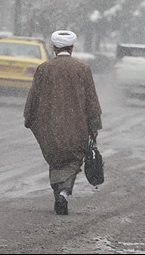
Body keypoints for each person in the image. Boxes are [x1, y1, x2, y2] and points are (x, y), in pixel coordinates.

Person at [23, 30, 102, 215]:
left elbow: (33, 98)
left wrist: (30, 119)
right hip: (77, 126)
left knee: (56, 157)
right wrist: (94, 126)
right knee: (72, 159)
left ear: (53, 48)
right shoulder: (83, 68)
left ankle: (59, 191)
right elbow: (91, 100)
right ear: (72, 47)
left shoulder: (44, 68)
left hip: (50, 125)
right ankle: (64, 192)